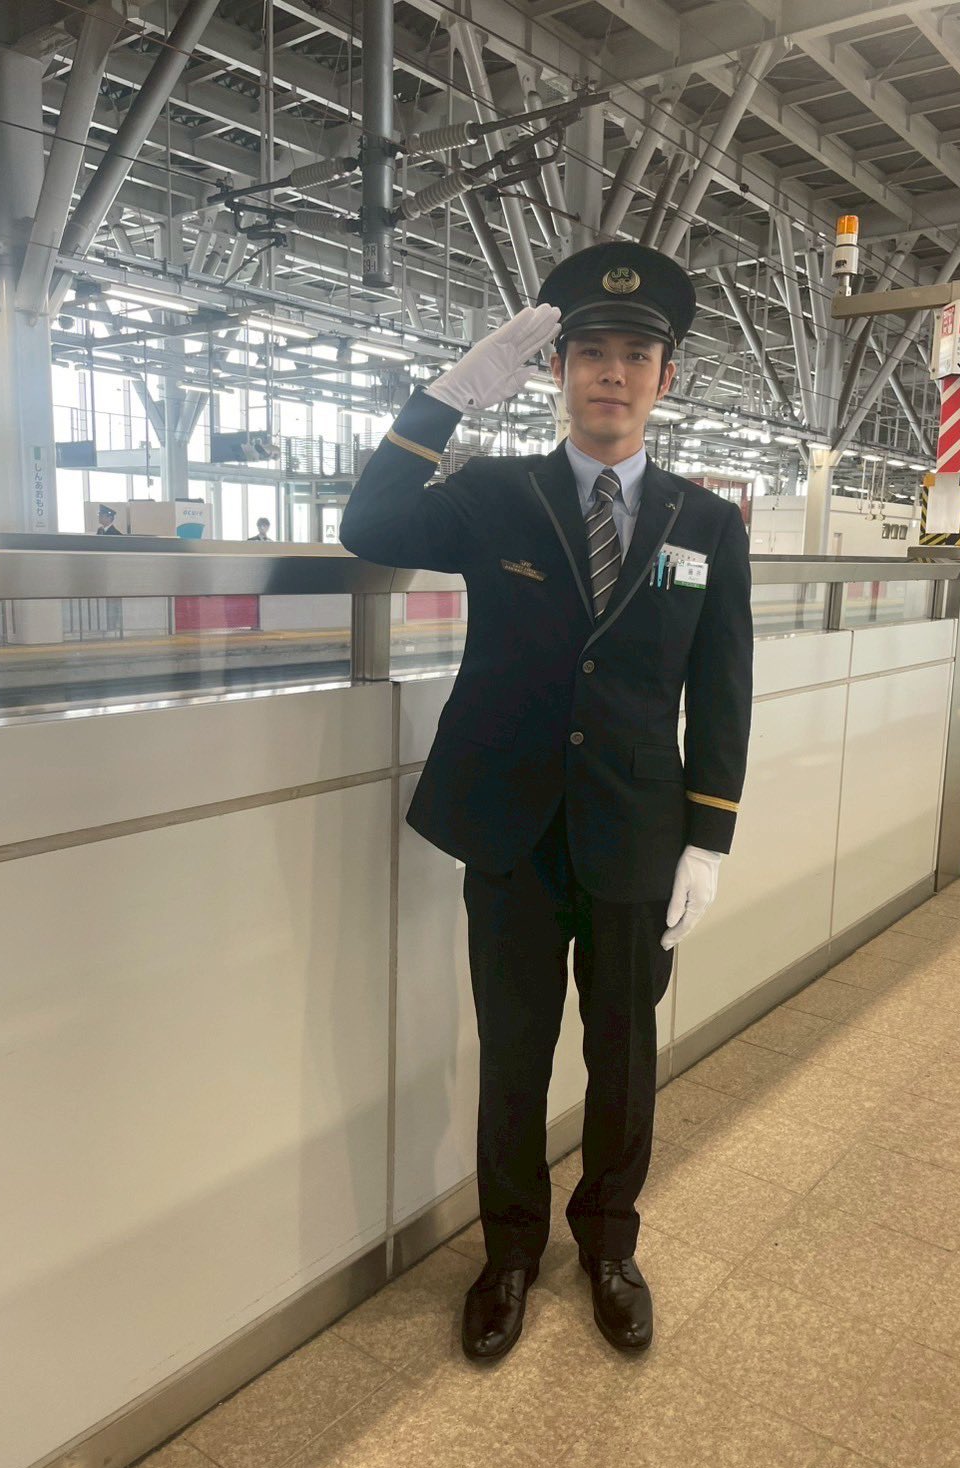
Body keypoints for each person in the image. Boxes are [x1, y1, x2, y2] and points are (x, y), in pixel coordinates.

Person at [340, 242, 753, 1362]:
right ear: (557, 370)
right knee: (514, 1052)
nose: (611, 373)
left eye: (635, 356)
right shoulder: (495, 494)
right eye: (590, 353)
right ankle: (510, 1251)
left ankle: (609, 1244)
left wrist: (708, 838)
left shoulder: (706, 524)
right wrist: (443, 398)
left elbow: (722, 691)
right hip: (513, 833)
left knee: (624, 1057)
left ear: (666, 378)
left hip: (637, 833)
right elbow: (371, 526)